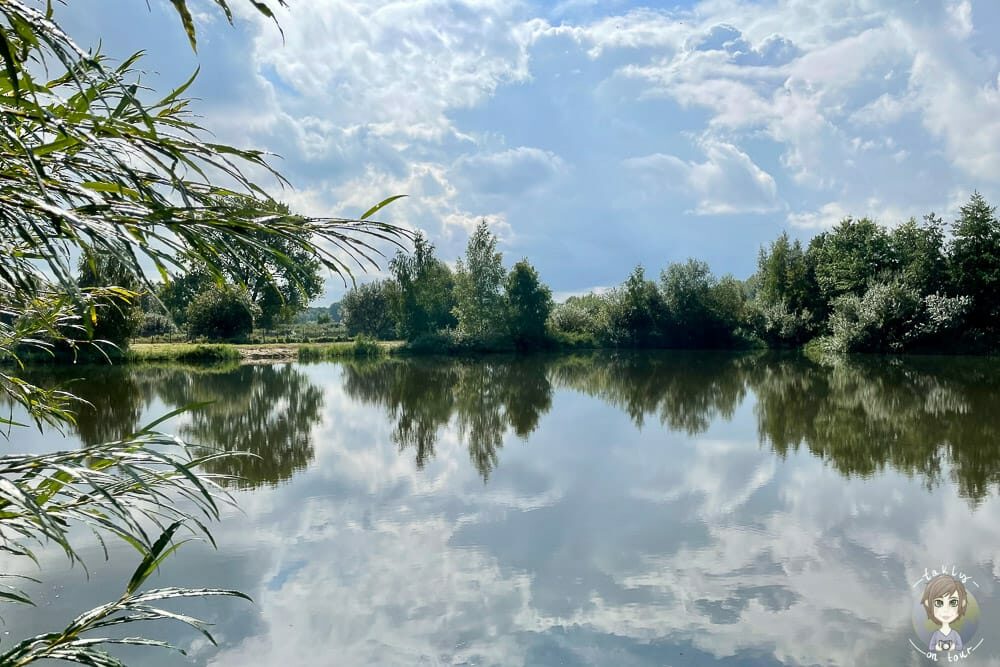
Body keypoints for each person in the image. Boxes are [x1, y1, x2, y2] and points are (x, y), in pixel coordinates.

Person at [921, 574, 968, 653]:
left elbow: (960, 646)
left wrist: (953, 647)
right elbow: (931, 647)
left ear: (962, 603)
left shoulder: (954, 634)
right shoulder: (936, 635)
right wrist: (937, 647)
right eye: (939, 602)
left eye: (953, 602)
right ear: (928, 604)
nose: (946, 609)